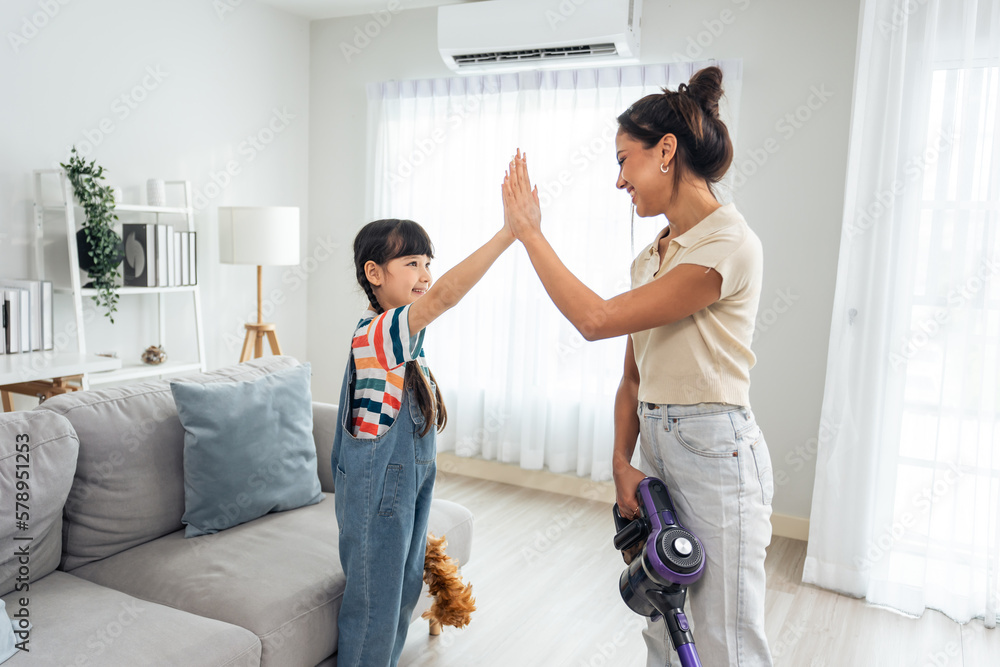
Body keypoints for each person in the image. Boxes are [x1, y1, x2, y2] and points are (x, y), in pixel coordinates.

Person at [501, 66, 774, 666]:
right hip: (656, 444)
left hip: (715, 452)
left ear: (667, 152)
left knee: (723, 635)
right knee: (662, 622)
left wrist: (529, 235)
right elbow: (633, 377)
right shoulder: (651, 257)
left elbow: (596, 320)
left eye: (625, 160)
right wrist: (623, 464)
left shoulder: (727, 243)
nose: (619, 179)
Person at [332, 217, 513, 666]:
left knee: (401, 598)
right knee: (374, 607)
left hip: (407, 494)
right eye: (412, 262)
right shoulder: (374, 337)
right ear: (375, 274)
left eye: (428, 263)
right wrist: (507, 234)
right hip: (379, 502)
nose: (426, 275)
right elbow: (444, 296)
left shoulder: (407, 341)